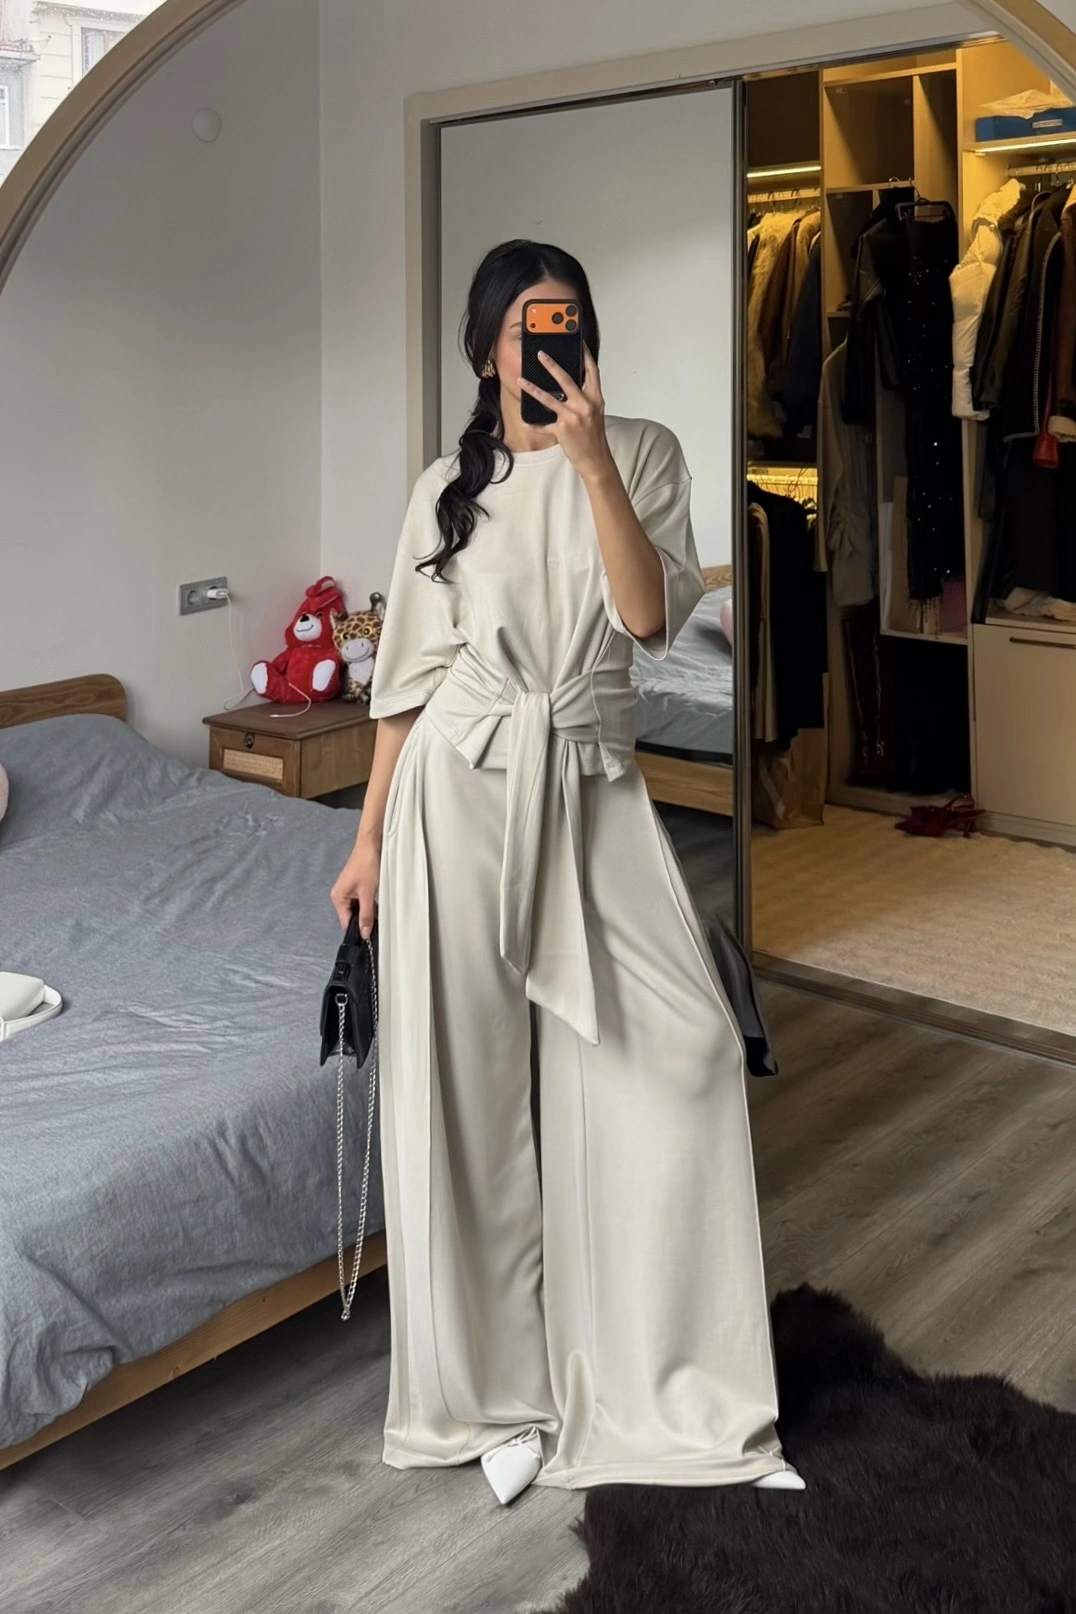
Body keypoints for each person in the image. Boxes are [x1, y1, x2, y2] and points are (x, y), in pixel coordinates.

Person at [330, 238, 805, 1504]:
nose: (552, 345)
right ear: (485, 346)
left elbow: (646, 621)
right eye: (528, 328)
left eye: (570, 322)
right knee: (466, 1093)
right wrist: (367, 838)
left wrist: (590, 462)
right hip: (456, 789)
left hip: (590, 783)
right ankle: (491, 1398)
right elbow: (405, 682)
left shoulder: (641, 452)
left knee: (683, 1049)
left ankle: (667, 1384)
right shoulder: (444, 487)